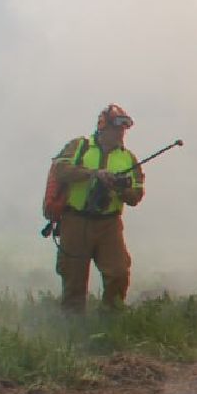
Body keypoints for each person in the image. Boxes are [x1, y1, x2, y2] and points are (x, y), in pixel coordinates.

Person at [50, 103, 146, 313]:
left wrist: (120, 188)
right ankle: (72, 326)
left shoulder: (129, 158)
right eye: (116, 128)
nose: (120, 134)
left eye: (123, 129)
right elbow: (60, 170)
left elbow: (137, 195)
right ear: (103, 127)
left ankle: (111, 319)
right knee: (73, 279)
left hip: (109, 225)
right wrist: (94, 174)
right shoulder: (80, 146)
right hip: (76, 221)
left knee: (119, 272)